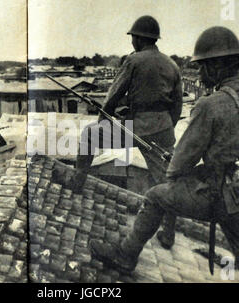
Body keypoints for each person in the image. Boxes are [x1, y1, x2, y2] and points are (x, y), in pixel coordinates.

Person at [90, 26, 239, 283]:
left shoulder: (210, 105)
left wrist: (181, 171)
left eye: (202, 67)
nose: (199, 73)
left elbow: (179, 165)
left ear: (217, 67)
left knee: (155, 196)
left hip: (217, 196)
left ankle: (126, 255)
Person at [72, 16, 183, 245]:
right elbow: (177, 105)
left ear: (140, 39)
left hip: (137, 127)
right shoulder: (172, 64)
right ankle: (169, 234)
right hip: (162, 128)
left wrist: (106, 118)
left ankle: (76, 184)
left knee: (89, 135)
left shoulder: (134, 61)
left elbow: (113, 94)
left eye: (133, 37)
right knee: (165, 182)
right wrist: (164, 125)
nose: (132, 41)